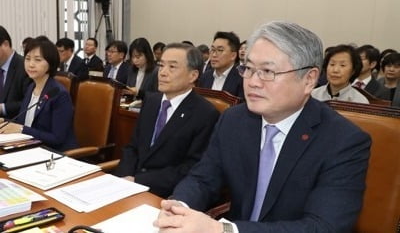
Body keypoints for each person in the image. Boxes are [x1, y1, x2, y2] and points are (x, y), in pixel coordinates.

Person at [154, 21, 371, 233]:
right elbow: (203, 178)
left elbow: (323, 226)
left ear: (309, 79)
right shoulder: (234, 120)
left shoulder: (344, 141)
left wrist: (224, 229)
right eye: (248, 68)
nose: (253, 82)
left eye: (267, 72)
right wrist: (179, 207)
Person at [115, 43, 220, 198]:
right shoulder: (151, 101)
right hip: (128, 185)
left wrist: (138, 180)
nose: (162, 73)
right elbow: (132, 147)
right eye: (161, 65)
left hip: (166, 194)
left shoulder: (205, 114)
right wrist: (124, 179)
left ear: (193, 76)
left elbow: (191, 168)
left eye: (172, 67)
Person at [0, 37, 78, 151]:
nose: (31, 64)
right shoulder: (32, 87)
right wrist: (5, 122)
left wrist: (21, 129)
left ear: (50, 63)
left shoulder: (59, 94)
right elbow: (25, 122)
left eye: (37, 60)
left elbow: (57, 138)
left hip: (55, 154)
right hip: (31, 148)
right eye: (27, 59)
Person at [198, 31, 244, 99]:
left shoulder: (241, 79)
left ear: (233, 55)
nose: (214, 55)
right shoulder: (205, 77)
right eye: (213, 50)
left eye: (220, 50)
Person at [0, 26, 31, 119]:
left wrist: (2, 108)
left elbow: (30, 103)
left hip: (14, 125)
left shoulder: (26, 67)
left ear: (5, 44)